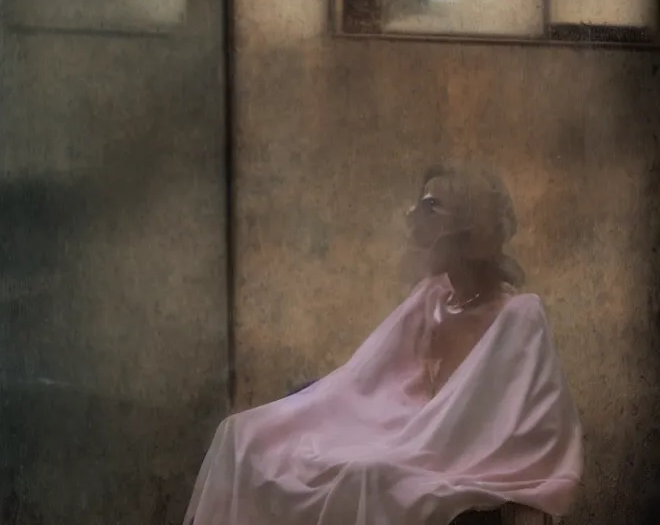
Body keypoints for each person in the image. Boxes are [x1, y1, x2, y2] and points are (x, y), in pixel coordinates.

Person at [184, 163, 584, 525]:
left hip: (450, 456)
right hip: (392, 431)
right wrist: (306, 421)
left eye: (431, 209)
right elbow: (358, 384)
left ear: (472, 228)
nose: (412, 220)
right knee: (238, 434)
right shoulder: (429, 299)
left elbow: (537, 428)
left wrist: (416, 444)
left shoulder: (520, 315)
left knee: (369, 476)